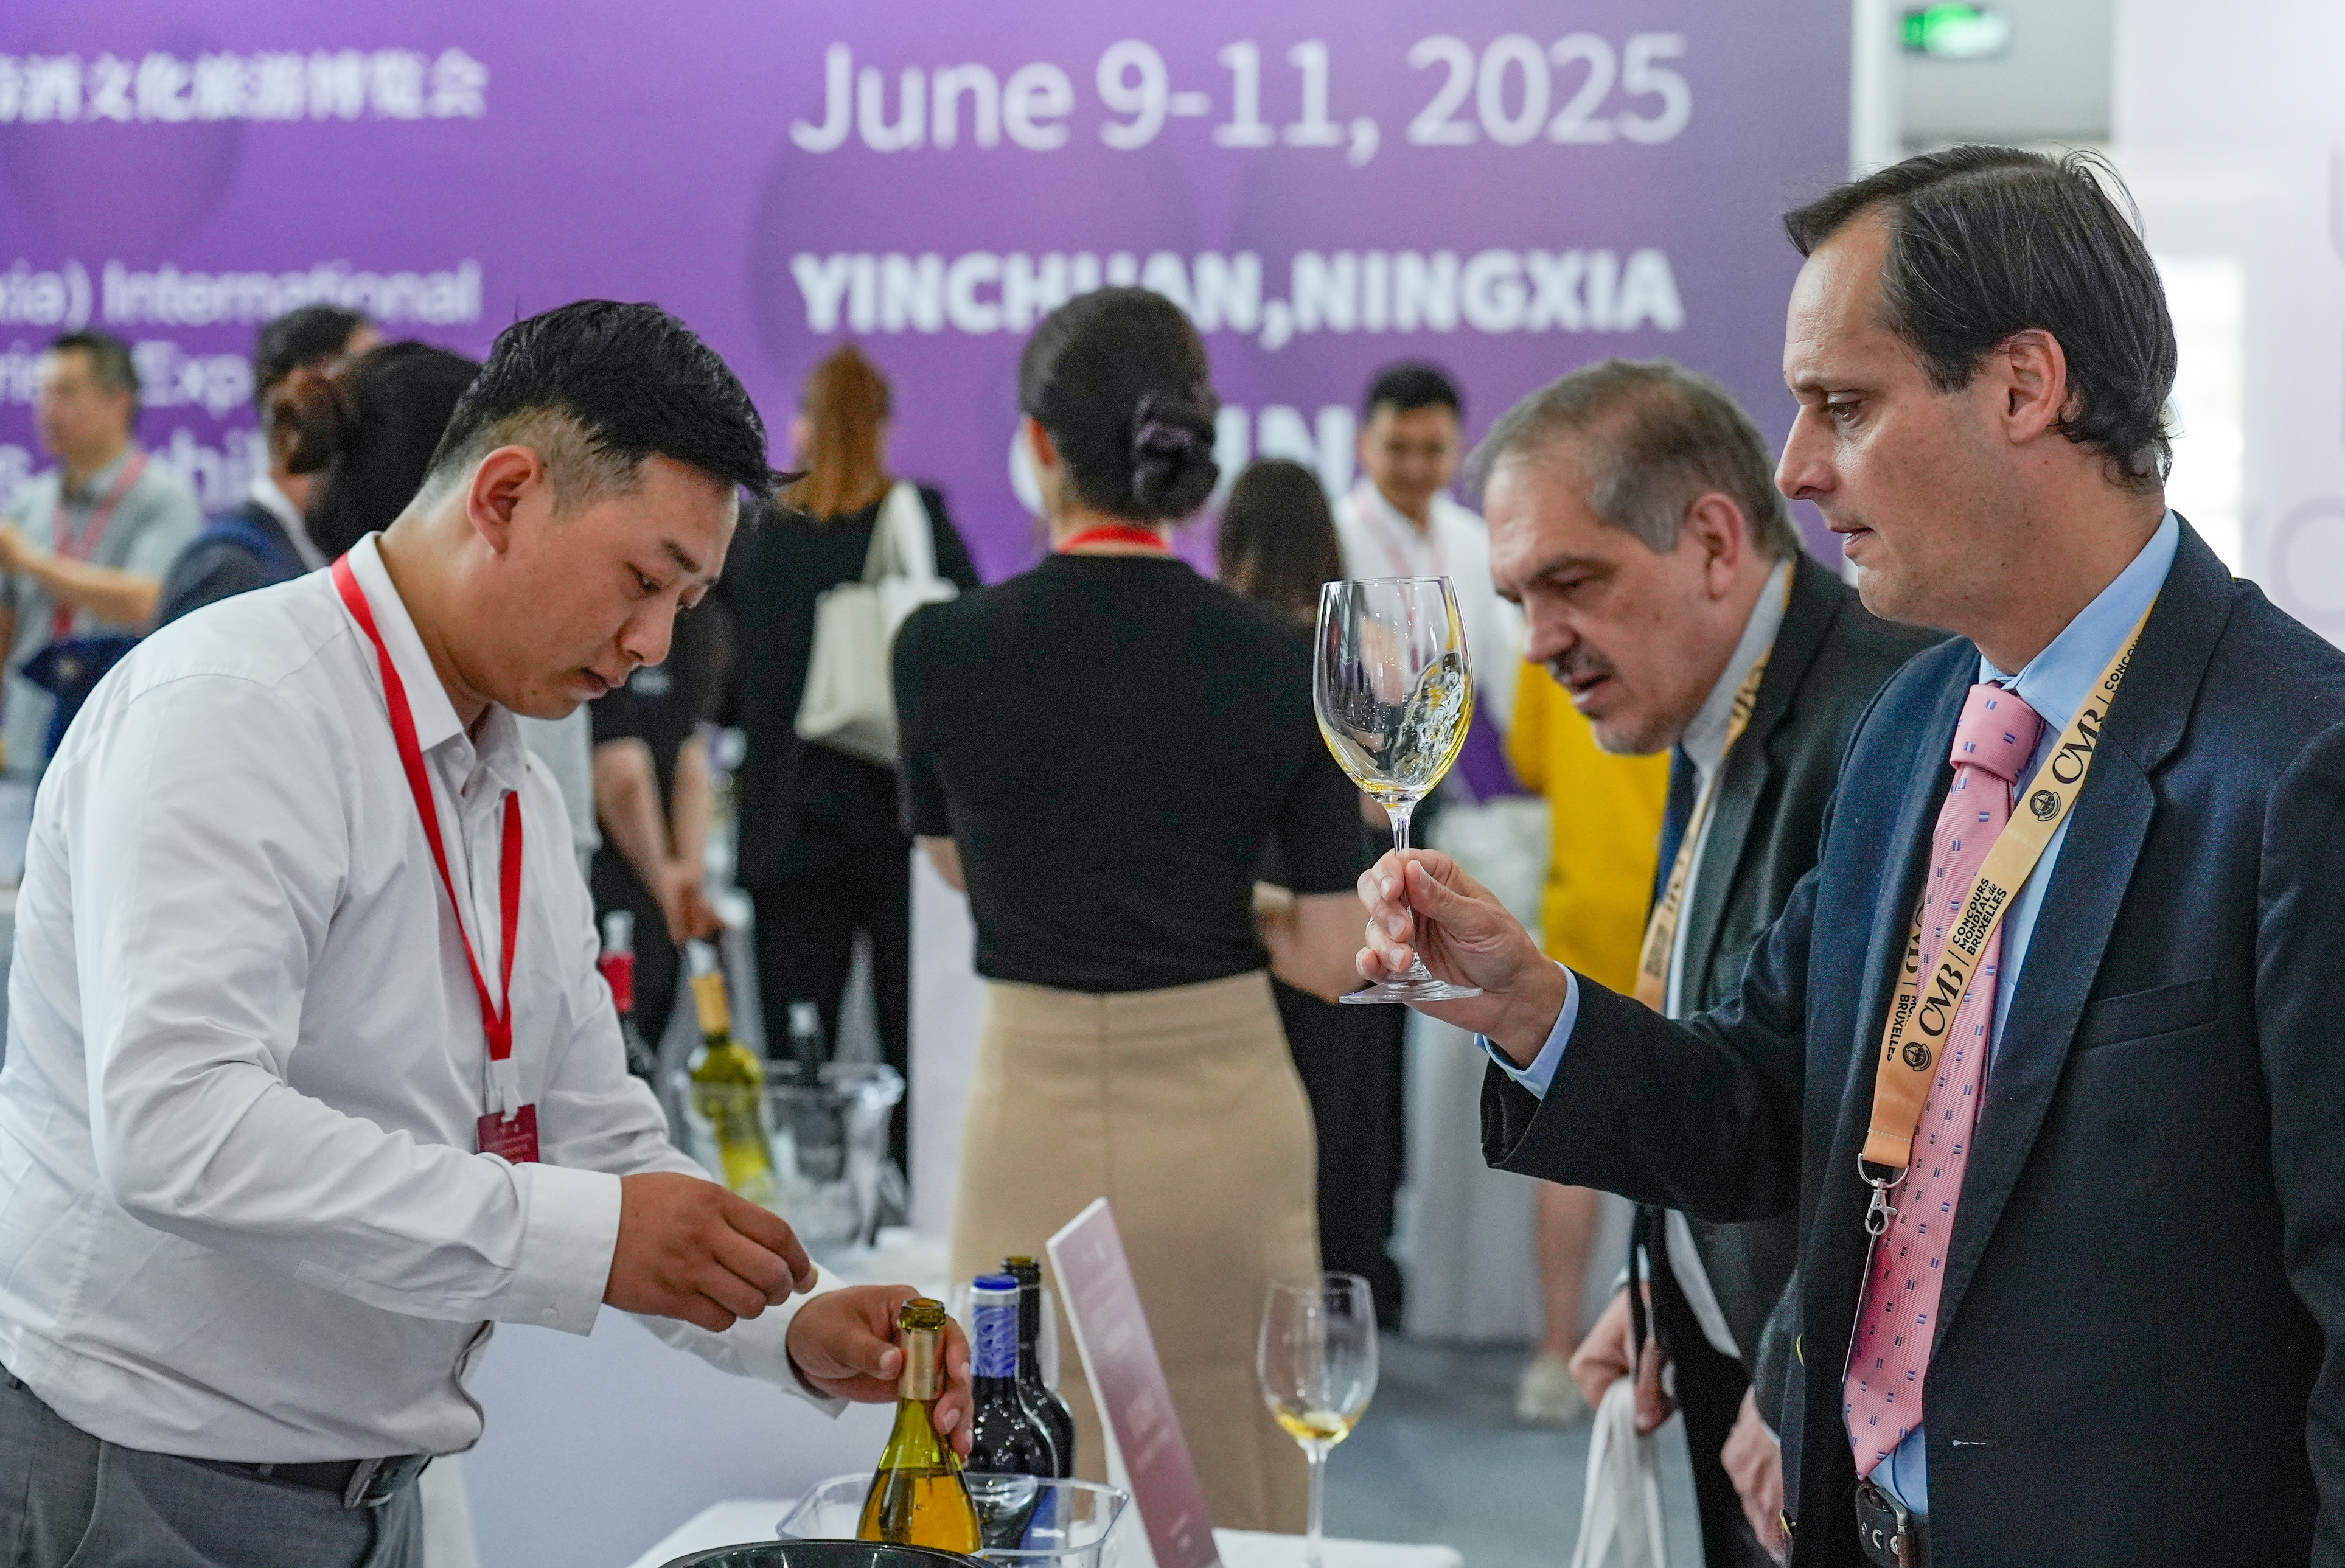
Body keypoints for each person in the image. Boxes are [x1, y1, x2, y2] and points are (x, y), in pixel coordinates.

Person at [1357, 147, 2345, 1567]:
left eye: (1843, 405)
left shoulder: (2293, 765)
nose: (1792, 467)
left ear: (2021, 387)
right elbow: (1769, 1106)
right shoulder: (1914, 729)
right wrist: (1528, 1004)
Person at [0, 301, 971, 1568]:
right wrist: (593, 1238)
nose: (652, 645)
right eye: (641, 581)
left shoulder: (504, 771)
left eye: (685, 600)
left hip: (363, 1493)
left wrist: (784, 1318)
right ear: (506, 494)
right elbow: (181, 1130)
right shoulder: (239, 708)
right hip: (143, 1481)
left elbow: (590, 1123)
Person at [897, 288, 1364, 1532]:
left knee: (1008, 1472)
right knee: (1228, 1494)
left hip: (1027, 1104)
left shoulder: (940, 644)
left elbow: (957, 866)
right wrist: (1234, 904)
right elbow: (1327, 953)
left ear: (1039, 444)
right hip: (1226, 1111)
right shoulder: (1285, 655)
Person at [1466, 358, 1938, 1563]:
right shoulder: (1703, 698)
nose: (1537, 643)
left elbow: (1908, 1125)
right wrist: (1665, 1275)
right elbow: (1717, 1026)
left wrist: (1789, 1352)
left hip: (1835, 1401)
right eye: (1515, 598)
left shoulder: (1887, 719)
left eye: (1568, 583)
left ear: (1715, 544)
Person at [725, 344, 978, 1160]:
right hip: (899, 827)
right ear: (880, 426)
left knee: (797, 1058)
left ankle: (799, 1227)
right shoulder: (918, 521)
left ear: (802, 420)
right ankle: (916, 1215)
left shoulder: (757, 537)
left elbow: (727, 690)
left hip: (784, 827)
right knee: (918, 1052)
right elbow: (966, 657)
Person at [1217, 456, 1406, 1323]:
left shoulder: (1225, 644)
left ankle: (1265, 1288)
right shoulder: (1356, 642)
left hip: (1246, 906)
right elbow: (1382, 800)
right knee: (1347, 1110)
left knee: (1254, 1109)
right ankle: (1344, 1288)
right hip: (1346, 901)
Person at [1504, 657, 1668, 1426]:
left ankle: (1554, 1351)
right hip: (1675, 894)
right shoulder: (1685, 610)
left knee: (1570, 1133)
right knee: (1688, 1127)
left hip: (1584, 900)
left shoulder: (1550, 636)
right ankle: (1671, 1353)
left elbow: (1527, 760)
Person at [0, 329, 201, 775]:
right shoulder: (27, 505)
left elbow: (145, 600)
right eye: (43, 394)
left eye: (66, 393)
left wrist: (32, 562)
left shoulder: (164, 498)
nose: (48, 410)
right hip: (28, 746)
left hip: (120, 748)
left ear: (118, 402)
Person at [153, 305, 380, 627]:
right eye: (372, 383)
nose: (388, 404)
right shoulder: (229, 567)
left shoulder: (327, 550)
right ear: (300, 400)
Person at [1335, 361, 1522, 732]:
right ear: (1363, 445)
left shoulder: (1475, 541)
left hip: (1439, 761)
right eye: (1397, 448)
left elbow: (1509, 671)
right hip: (1351, 760)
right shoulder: (1332, 538)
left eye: (1434, 450)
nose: (1415, 469)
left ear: (1460, 448)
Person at [591, 585, 731, 1037]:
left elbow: (623, 770)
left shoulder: (615, 616)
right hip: (656, 862)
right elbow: (692, 758)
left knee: (620, 1041)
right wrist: (684, 881)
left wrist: (671, 887)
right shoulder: (700, 619)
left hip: (621, 873)